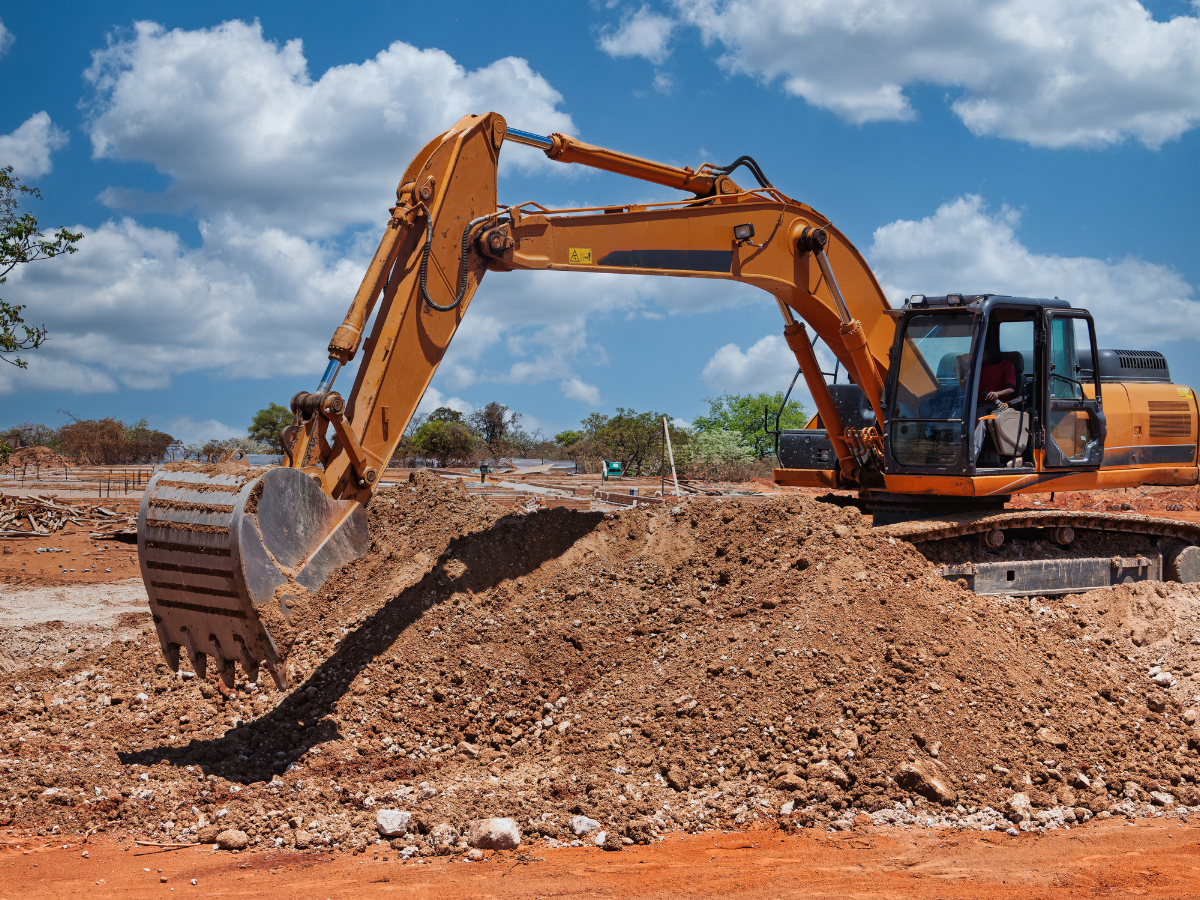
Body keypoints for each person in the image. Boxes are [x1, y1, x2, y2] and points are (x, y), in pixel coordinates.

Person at [973, 337, 1017, 461]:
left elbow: (1011, 388)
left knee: (981, 413)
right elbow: (965, 385)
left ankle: (973, 453)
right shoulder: (979, 367)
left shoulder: (1007, 366)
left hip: (997, 407)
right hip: (974, 404)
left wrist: (997, 394)